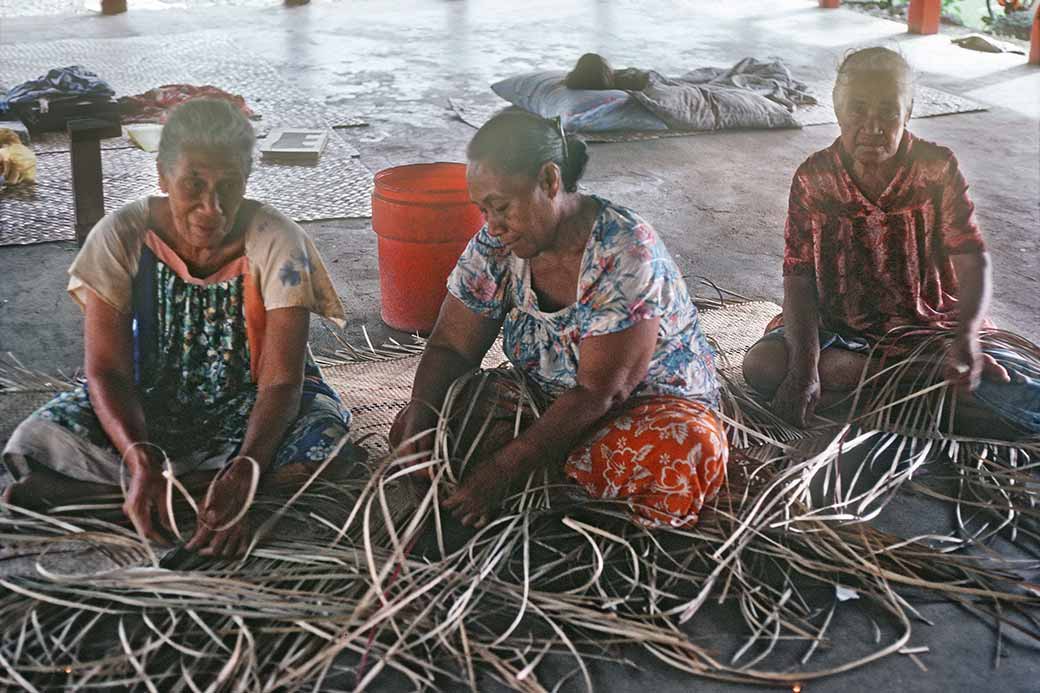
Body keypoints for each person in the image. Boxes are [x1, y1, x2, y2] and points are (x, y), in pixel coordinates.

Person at [2, 99, 352, 557]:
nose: (212, 206)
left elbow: (282, 380)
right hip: (149, 398)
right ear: (163, 177)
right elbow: (107, 371)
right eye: (193, 183)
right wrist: (138, 454)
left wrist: (247, 465)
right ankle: (188, 493)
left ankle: (118, 499)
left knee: (326, 443)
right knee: (35, 438)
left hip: (252, 401)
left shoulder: (278, 240)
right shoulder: (121, 234)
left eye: (229, 185)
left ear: (247, 180)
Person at [390, 110, 728, 529]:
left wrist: (504, 467)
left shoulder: (624, 250)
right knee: (422, 425)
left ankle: (557, 503)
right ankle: (557, 490)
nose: (492, 226)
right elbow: (451, 347)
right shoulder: (495, 247)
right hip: (542, 404)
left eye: (501, 207)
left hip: (639, 412)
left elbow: (601, 392)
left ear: (550, 182)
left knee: (685, 451)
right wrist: (421, 422)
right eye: (482, 210)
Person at [742, 47, 1039, 437]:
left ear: (909, 111)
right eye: (857, 109)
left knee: (1017, 394)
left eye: (888, 111)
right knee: (763, 366)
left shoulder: (936, 167)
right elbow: (799, 278)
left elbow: (972, 260)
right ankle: (922, 387)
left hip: (930, 327)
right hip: (842, 329)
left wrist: (966, 339)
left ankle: (903, 387)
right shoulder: (813, 178)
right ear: (836, 108)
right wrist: (803, 370)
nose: (872, 125)